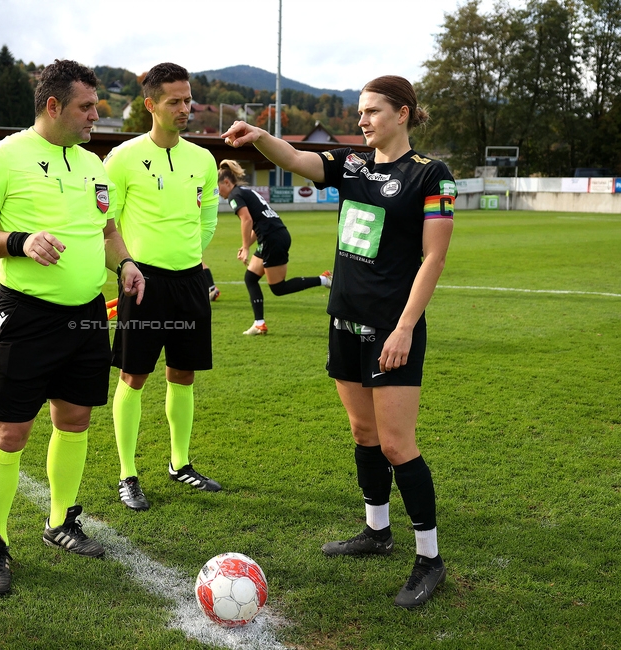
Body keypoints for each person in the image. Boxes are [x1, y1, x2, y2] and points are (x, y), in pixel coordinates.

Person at [223, 75, 456, 608]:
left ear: (402, 113)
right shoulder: (353, 166)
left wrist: (403, 327)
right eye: (359, 111)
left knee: (398, 445)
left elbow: (434, 259)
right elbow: (297, 159)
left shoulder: (430, 175)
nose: (362, 119)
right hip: (343, 320)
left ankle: (429, 559)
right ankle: (377, 531)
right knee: (362, 431)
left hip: (391, 328)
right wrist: (259, 134)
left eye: (372, 111)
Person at [0, 59, 144, 596]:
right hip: (27, 314)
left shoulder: (94, 165)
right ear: (54, 105)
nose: (96, 115)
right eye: (87, 106)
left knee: (76, 419)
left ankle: (61, 521)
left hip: (88, 312)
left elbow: (107, 230)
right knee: (10, 432)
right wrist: (21, 241)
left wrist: (127, 264)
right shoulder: (3, 157)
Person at [105, 62, 221, 512]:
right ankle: (128, 474)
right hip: (143, 281)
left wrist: (189, 252)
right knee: (134, 376)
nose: (185, 108)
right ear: (150, 105)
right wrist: (129, 264)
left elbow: (208, 216)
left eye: (188, 99)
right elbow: (106, 222)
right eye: (174, 100)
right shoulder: (123, 157)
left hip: (190, 279)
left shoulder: (203, 159)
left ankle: (180, 462)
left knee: (183, 374)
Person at [217, 159, 332, 336]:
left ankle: (324, 279)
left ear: (226, 182)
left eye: (219, 188)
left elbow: (247, 220)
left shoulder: (234, 195)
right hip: (274, 236)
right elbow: (258, 223)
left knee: (278, 288)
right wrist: (246, 244)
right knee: (250, 277)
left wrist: (246, 247)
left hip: (273, 239)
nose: (219, 193)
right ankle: (259, 324)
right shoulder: (245, 191)